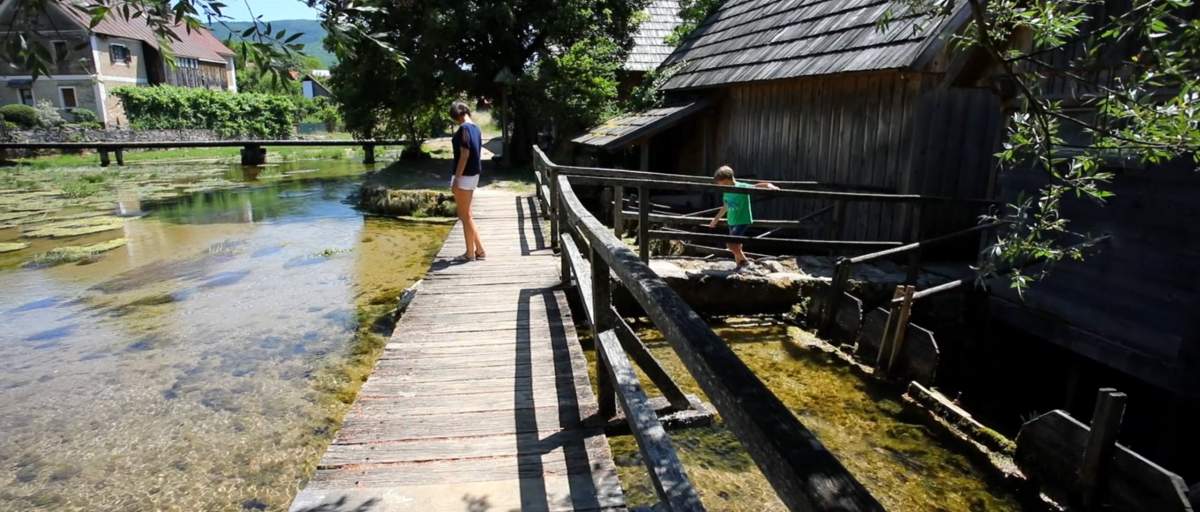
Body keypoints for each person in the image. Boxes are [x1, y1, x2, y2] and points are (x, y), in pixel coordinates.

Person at [707, 165, 778, 268]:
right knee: (737, 246)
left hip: (742, 220)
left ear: (728, 179)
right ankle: (739, 267)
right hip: (731, 221)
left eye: (721, 183)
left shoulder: (742, 186)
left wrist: (770, 186)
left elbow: (758, 186)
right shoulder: (726, 191)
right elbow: (725, 206)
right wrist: (715, 219)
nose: (720, 185)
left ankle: (745, 262)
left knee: (731, 244)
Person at [449, 101, 486, 261]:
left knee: (464, 216)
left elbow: (465, 153)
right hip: (473, 175)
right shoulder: (476, 128)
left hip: (464, 176)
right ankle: (480, 250)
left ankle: (470, 253)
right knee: (467, 215)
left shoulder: (464, 128)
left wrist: (456, 178)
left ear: (456, 115)